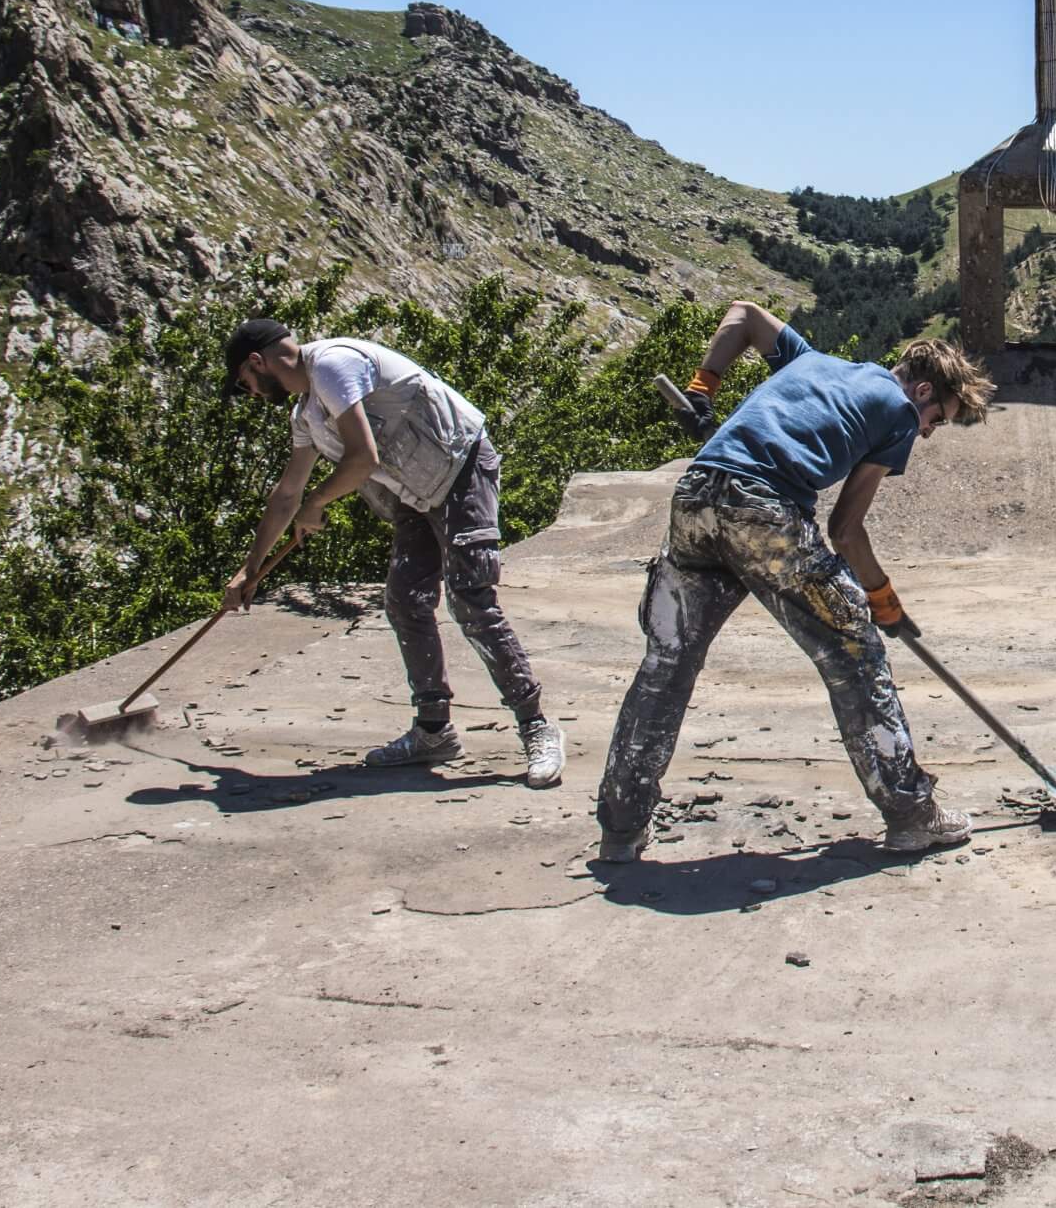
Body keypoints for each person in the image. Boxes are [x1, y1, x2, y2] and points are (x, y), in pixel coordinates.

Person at [595, 301, 992, 862]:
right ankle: (910, 814)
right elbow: (845, 530)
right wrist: (882, 601)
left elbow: (745, 315)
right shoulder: (900, 413)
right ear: (924, 392)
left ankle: (621, 828)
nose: (927, 434)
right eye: (939, 420)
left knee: (668, 663)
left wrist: (703, 388)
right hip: (761, 510)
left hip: (696, 494)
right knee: (855, 654)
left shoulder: (809, 362)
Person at [223, 319, 564, 788]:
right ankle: (433, 731)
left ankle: (536, 726)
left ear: (257, 362)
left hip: (461, 465)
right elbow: (287, 494)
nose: (254, 394)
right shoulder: (306, 413)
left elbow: (363, 459)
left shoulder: (332, 366)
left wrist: (317, 504)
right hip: (415, 488)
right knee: (405, 600)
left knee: (471, 599)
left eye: (246, 384)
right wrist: (251, 570)